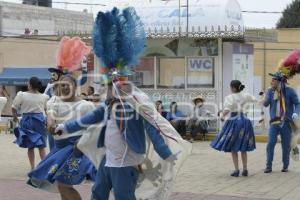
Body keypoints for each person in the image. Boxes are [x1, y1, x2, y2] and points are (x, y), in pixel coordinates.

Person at [55, 7, 191, 200]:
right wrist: (63, 127)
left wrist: (166, 153)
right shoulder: (108, 105)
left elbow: (152, 127)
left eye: (110, 85)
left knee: (123, 196)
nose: (106, 89)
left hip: (126, 162)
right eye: (106, 85)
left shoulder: (135, 105)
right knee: (98, 192)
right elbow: (87, 119)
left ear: (120, 85)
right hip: (108, 160)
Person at [28, 75, 96, 200]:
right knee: (61, 185)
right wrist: (51, 125)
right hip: (59, 150)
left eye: (68, 84)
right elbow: (50, 117)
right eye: (62, 85)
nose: (64, 87)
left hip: (75, 150)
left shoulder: (86, 105)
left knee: (64, 185)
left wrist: (83, 141)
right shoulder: (55, 101)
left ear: (75, 86)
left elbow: (93, 128)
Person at [263, 49, 300, 173]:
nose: (271, 81)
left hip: (286, 122)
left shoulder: (289, 91)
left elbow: (298, 103)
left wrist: (296, 112)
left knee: (286, 145)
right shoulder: (270, 90)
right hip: (274, 122)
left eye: (273, 80)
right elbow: (266, 103)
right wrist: (265, 98)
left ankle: (285, 165)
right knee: (270, 144)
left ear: (279, 81)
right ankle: (268, 166)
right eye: (272, 80)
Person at [211, 80, 256, 177]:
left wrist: (222, 116)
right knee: (243, 147)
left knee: (233, 147)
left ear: (233, 88)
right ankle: (245, 169)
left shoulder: (229, 97)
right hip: (245, 121)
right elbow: (255, 100)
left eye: (230, 87)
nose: (230, 88)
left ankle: (236, 170)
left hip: (234, 121)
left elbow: (227, 109)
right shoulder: (246, 95)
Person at [12, 77, 49, 169]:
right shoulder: (44, 97)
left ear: (30, 85)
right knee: (41, 146)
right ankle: (44, 167)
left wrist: (15, 117)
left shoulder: (22, 95)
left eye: (28, 83)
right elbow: (47, 110)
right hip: (40, 120)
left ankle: (32, 167)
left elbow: (13, 107)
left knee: (30, 146)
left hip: (27, 120)